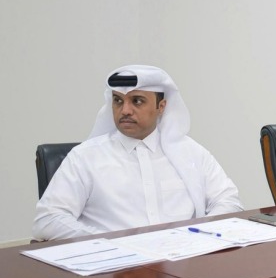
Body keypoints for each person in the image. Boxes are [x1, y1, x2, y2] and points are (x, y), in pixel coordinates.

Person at [32, 65, 242, 241]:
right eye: (118, 100)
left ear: (161, 106)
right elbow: (48, 219)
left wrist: (198, 234)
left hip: (184, 261)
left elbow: (228, 201)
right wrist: (109, 242)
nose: (125, 110)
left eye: (137, 101)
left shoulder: (191, 153)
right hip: (113, 267)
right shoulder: (85, 157)